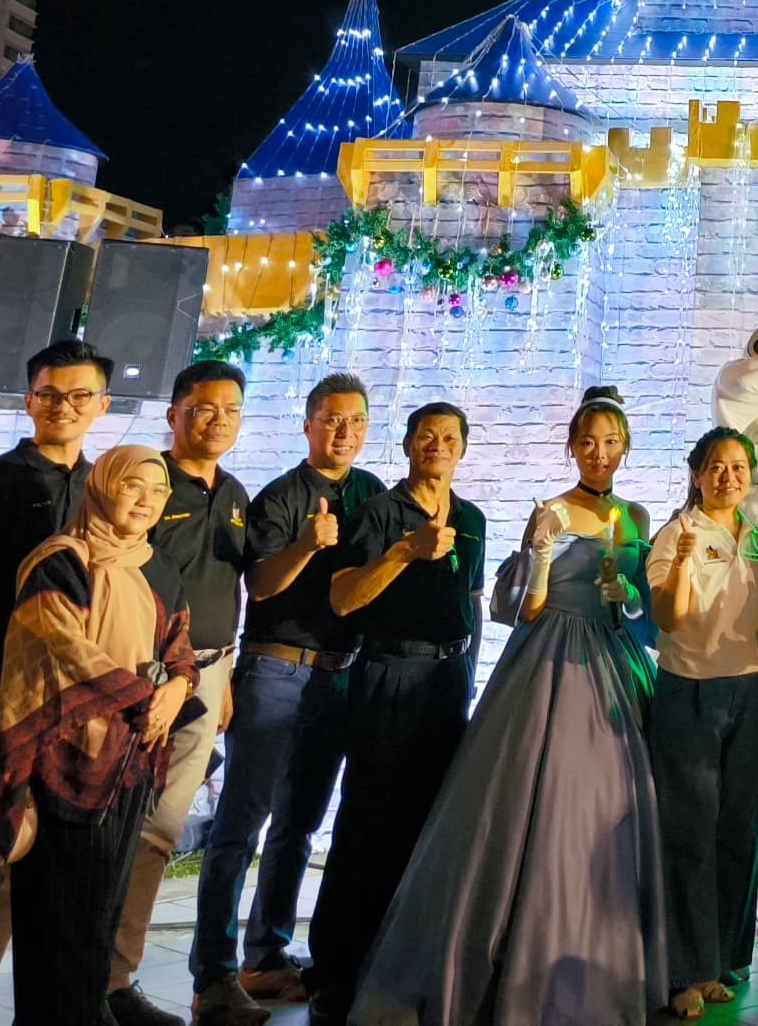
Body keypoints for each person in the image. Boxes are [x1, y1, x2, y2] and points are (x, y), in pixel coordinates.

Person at [347, 387, 664, 1025]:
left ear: (624, 448)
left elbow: (644, 619)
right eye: (587, 442)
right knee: (526, 804)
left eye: (609, 442)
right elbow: (522, 611)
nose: (598, 453)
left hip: (610, 668)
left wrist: (624, 592)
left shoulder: (636, 516)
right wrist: (541, 558)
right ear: (572, 446)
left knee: (606, 808)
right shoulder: (548, 509)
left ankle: (591, 954)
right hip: (546, 664)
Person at [0, 445, 197, 1025]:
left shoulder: (160, 566)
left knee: (101, 908)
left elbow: (179, 647)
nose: (145, 502)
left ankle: (86, 1011)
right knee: (56, 912)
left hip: (132, 757)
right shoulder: (59, 561)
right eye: (133, 487)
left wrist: (176, 690)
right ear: (101, 488)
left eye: (158, 492)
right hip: (65, 759)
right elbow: (62, 647)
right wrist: (147, 696)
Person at [191, 374, 383, 1016]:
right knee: (240, 826)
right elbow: (262, 586)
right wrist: (307, 543)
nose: (344, 432)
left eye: (355, 421)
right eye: (332, 419)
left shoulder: (372, 493)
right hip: (276, 669)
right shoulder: (280, 495)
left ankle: (265, 957)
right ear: (308, 425)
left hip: (338, 673)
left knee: (299, 827)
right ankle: (211, 974)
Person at [302, 403, 485, 1026]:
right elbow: (343, 598)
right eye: (426, 436)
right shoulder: (377, 514)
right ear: (407, 445)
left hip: (447, 679)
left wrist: (467, 674)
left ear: (463, 449)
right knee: (366, 824)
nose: (438, 445)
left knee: (428, 823)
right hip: (387, 674)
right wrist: (404, 551)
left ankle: (402, 961)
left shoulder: (473, 519)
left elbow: (473, 604)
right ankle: (334, 970)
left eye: (450, 437)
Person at [0, 336, 112, 1026]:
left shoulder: (104, 487)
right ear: (29, 401)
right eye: (50, 394)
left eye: (80, 395)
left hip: (57, 710)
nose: (64, 407)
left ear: (102, 405)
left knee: (9, 860)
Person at [103, 361, 254, 1026]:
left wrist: (223, 677)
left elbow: (232, 586)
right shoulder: (150, 484)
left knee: (160, 835)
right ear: (174, 413)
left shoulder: (237, 492)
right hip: (149, 673)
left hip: (211, 673)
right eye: (202, 407)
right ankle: (85, 979)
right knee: (119, 825)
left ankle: (114, 982)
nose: (216, 420)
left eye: (230, 409)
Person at [648, 426, 758, 1020]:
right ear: (696, 473)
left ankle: (722, 957)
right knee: (688, 834)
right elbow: (667, 621)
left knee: (738, 831)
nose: (729, 477)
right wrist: (684, 564)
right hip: (689, 693)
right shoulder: (676, 534)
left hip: (751, 691)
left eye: (739, 466)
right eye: (717, 467)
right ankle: (682, 970)